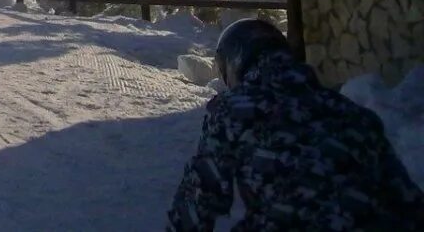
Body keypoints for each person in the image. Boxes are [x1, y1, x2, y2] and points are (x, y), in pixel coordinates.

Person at [166, 18, 424, 231]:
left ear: (234, 65)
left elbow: (199, 200)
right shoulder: (347, 110)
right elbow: (407, 200)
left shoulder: (233, 110)